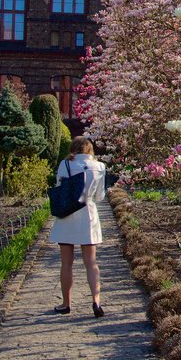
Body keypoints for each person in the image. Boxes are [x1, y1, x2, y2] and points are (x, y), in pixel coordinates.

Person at [49, 136, 107, 317]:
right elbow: (100, 196)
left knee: (66, 262)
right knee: (91, 262)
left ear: (72, 149)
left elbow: (59, 186)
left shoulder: (65, 165)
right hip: (88, 215)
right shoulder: (99, 167)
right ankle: (96, 302)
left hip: (67, 216)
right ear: (90, 149)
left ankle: (66, 303)